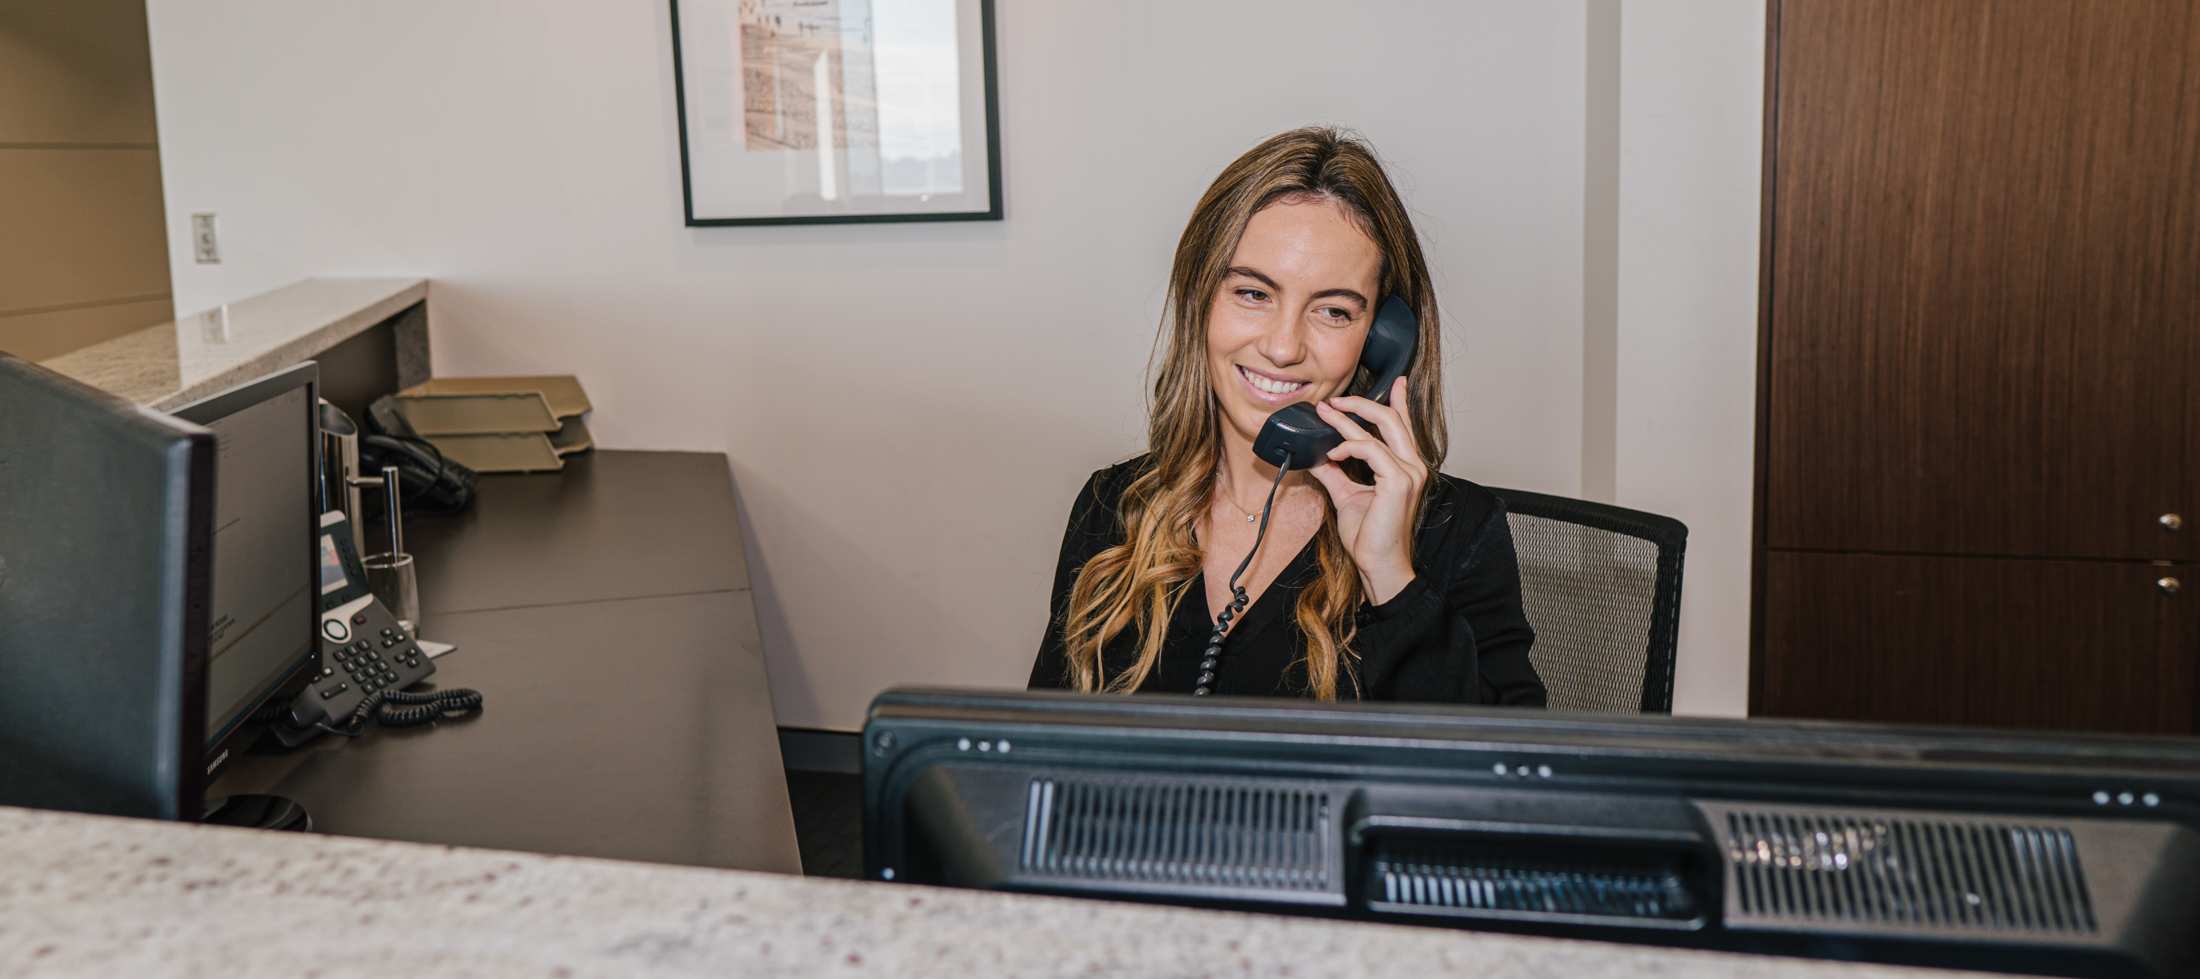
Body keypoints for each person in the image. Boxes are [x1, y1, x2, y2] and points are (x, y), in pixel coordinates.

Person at [1028, 127, 1546, 705]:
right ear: (1200, 300)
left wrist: (1392, 580)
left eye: (1333, 311)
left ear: (1382, 340)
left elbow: (1501, 760)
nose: (1282, 348)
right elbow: (1044, 744)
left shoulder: (1453, 529)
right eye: (1254, 294)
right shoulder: (1117, 506)